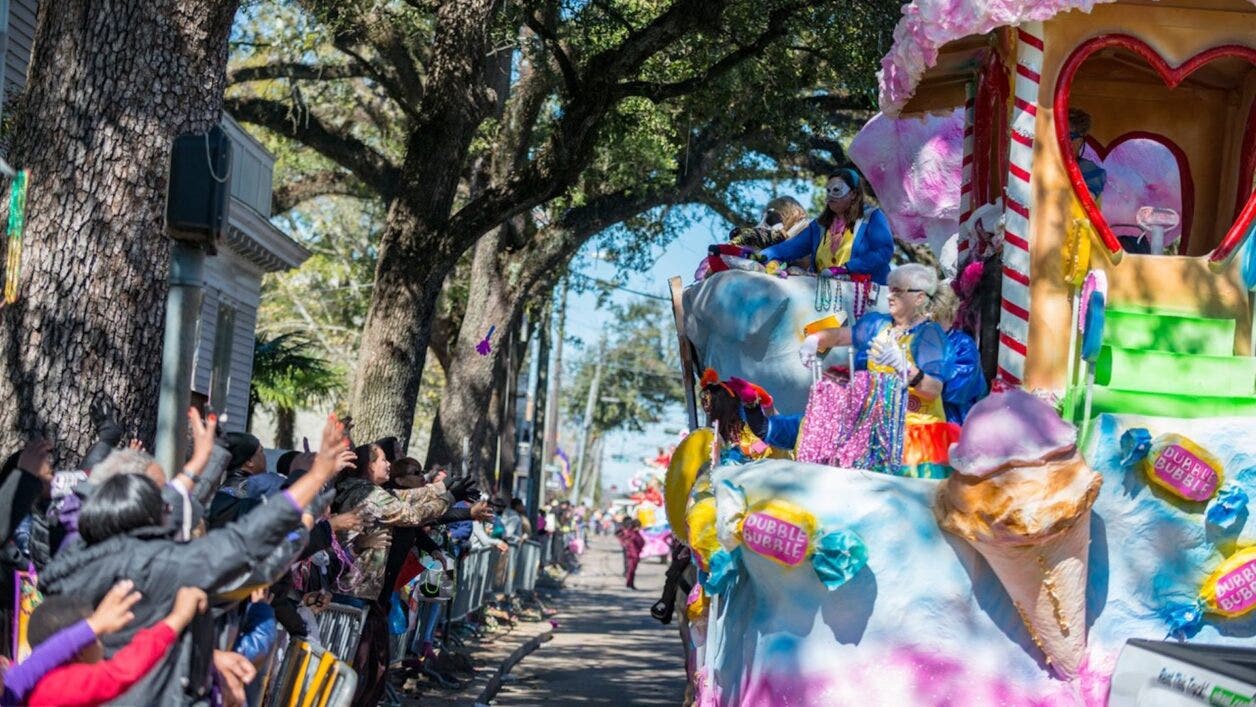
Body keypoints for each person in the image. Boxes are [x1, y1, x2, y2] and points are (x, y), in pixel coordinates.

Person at [38, 413, 356, 705]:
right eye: (160, 498)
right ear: (144, 514)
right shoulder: (160, 567)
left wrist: (206, 459)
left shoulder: (74, 551)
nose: (170, 503)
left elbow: (179, 501)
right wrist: (312, 489)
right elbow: (244, 545)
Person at [330, 441, 477, 707]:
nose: (388, 464)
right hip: (355, 592)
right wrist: (449, 498)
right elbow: (410, 513)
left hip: (368, 594)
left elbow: (405, 497)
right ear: (368, 466)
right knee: (358, 665)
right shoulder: (366, 493)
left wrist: (443, 488)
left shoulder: (372, 491)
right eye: (382, 460)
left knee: (372, 664)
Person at [802, 264, 958, 478]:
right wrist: (815, 339)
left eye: (898, 291)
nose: (889, 296)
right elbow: (841, 336)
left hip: (916, 437)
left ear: (919, 298)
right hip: (877, 433)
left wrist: (904, 367)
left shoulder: (929, 336)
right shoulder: (879, 325)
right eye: (890, 289)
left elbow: (933, 389)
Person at [25, 585, 208, 707]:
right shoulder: (58, 688)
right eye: (97, 636)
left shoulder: (36, 682)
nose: (102, 641)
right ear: (79, 651)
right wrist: (178, 617)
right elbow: (122, 672)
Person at [759, 168, 895, 284]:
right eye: (828, 191)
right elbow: (789, 248)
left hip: (867, 298)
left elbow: (884, 252)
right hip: (825, 299)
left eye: (837, 190)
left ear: (853, 194)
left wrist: (847, 268)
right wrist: (761, 256)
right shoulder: (819, 226)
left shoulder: (872, 217)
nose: (830, 196)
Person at [931, 285, 987, 424]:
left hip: (952, 420)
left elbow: (957, 388)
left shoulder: (963, 345)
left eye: (937, 320)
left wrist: (921, 378)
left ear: (951, 317)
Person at [620, 520, 645, 590]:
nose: (640, 528)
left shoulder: (636, 533)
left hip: (636, 553)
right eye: (639, 526)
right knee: (630, 570)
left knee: (633, 570)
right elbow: (624, 540)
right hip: (632, 554)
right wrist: (627, 546)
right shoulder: (631, 533)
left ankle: (631, 585)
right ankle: (628, 585)